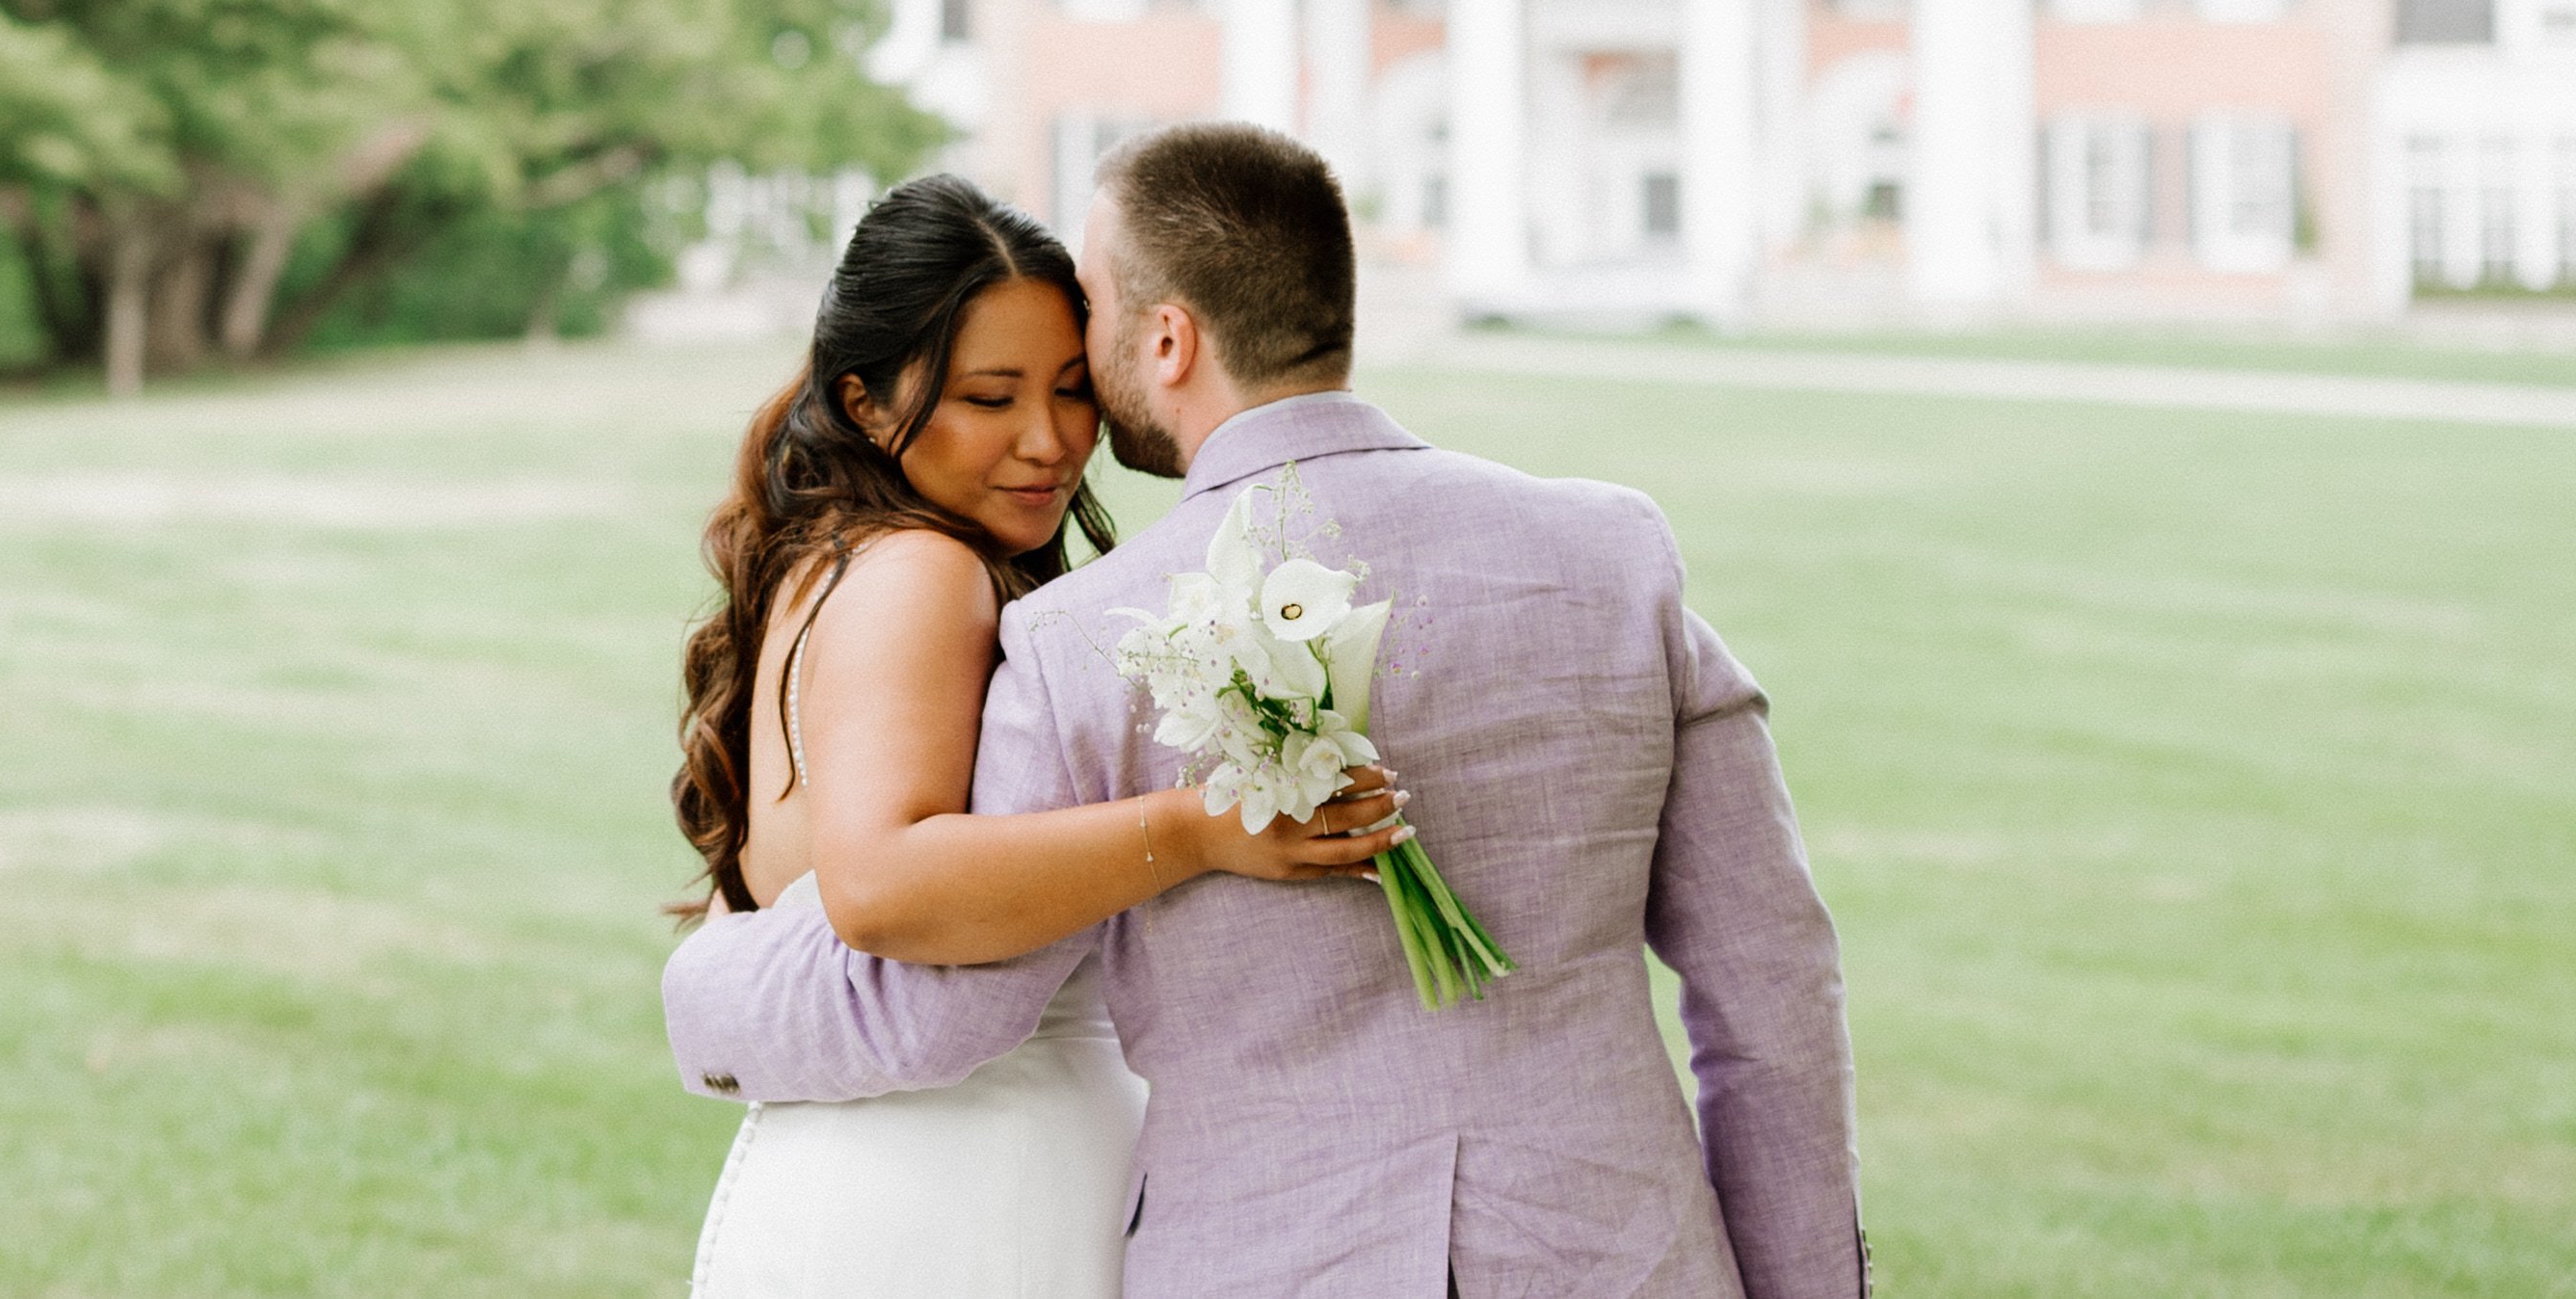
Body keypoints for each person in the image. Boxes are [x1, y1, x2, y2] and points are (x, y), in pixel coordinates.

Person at [665, 125, 1864, 1299]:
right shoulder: (1612, 554)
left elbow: (929, 1009)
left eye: (1086, 323)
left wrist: (705, 987)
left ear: (1167, 337)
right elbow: (1771, 984)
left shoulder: (1085, 637)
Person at [673, 172, 1411, 1299]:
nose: (1048, 441)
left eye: (1071, 389)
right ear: (865, 403)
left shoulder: (833, 560)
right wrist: (1199, 829)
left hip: (868, 1173)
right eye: (987, 397)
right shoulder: (923, 573)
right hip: (965, 1196)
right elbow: (877, 883)